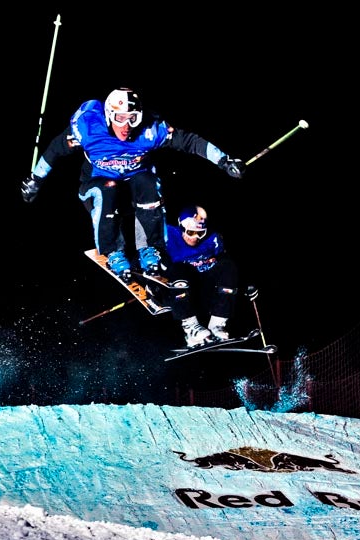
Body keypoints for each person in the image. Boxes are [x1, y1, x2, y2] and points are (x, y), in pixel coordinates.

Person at [20, 87, 245, 281]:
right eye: (120, 118)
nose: (126, 126)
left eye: (133, 118)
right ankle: (113, 251)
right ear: (109, 116)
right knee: (107, 188)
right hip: (98, 186)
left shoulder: (150, 131)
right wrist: (36, 180)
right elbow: (56, 149)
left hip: (136, 191)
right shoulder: (88, 130)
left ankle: (150, 249)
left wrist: (223, 160)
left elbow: (188, 141)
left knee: (147, 181)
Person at [163, 205, 241, 347]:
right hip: (179, 288)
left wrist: (246, 284)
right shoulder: (168, 235)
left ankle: (217, 324)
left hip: (204, 287)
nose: (195, 237)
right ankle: (191, 328)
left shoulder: (213, 238)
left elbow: (225, 262)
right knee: (177, 269)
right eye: (191, 232)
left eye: (200, 233)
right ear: (181, 227)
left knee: (228, 266)